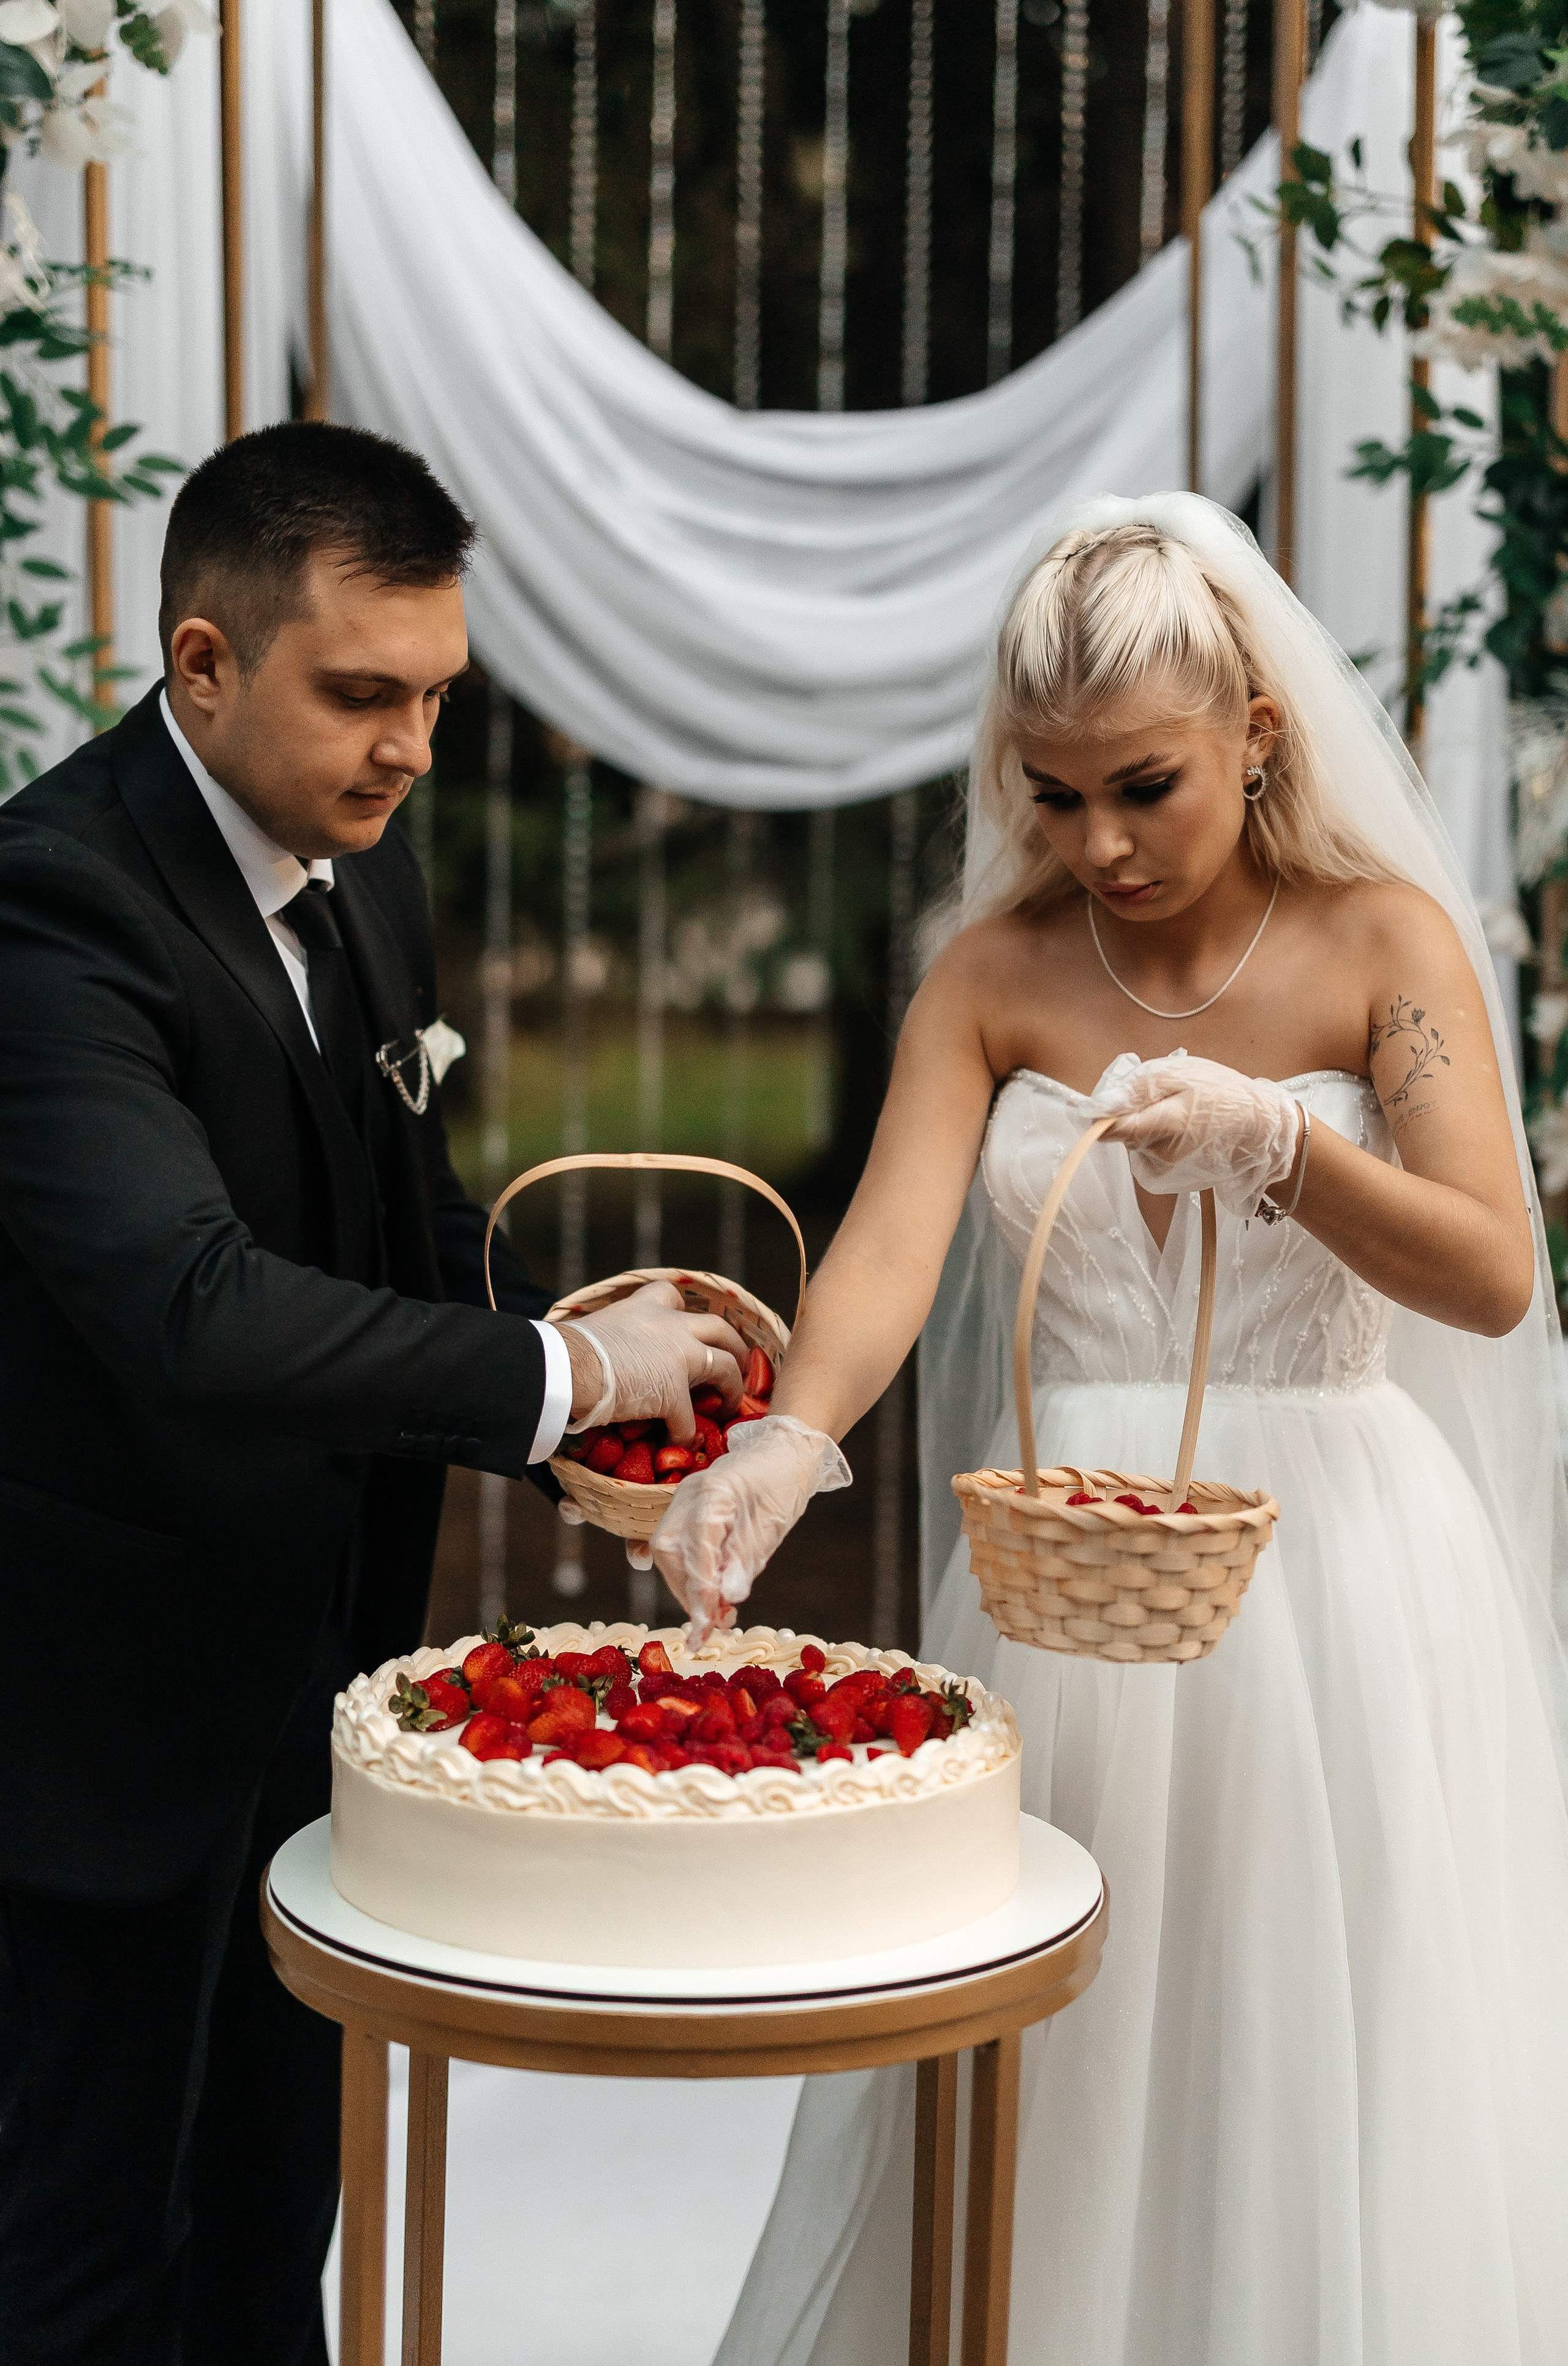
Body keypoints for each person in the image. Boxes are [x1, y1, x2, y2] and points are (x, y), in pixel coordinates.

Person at [654, 497, 1568, 2364]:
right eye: (1053, 795)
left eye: (1145, 786)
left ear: (1259, 730)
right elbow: (888, 1252)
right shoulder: (993, 971)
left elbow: (1490, 1273)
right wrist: (787, 1443)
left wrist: (1286, 1145)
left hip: (1339, 1575)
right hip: (1065, 1586)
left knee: (1306, 2028)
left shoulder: (1386, 941)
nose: (1100, 845)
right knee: (1059, 2032)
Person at [0, 420, 747, 2366]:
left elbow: (400, 1214)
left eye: (435, 695)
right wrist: (556, 1373)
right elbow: (198, 1307)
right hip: (95, 1723)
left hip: (319, 1684)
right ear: (204, 662)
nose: (411, 747)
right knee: (80, 2251)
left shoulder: (362, 869)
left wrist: (590, 1374)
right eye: (362, 694)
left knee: (271, 2222)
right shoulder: (48, 909)